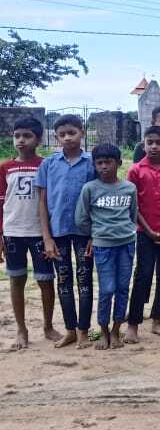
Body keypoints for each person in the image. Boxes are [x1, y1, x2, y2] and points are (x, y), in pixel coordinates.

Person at [36, 114, 95, 349]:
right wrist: (46, 237)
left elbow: (97, 199)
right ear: (56, 137)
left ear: (82, 132)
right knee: (63, 281)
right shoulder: (49, 164)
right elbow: (41, 202)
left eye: (72, 132)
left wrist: (94, 234)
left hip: (84, 232)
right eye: (62, 134)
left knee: (84, 280)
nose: (68, 137)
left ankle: (83, 330)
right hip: (57, 232)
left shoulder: (91, 163)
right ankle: (70, 329)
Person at [2, 117, 58, 350]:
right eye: (17, 136)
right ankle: (21, 329)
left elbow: (50, 200)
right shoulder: (5, 168)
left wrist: (50, 235)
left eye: (27, 136)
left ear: (38, 139)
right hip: (13, 231)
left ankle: (47, 325)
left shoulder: (46, 165)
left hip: (39, 232)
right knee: (17, 280)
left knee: (46, 281)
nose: (21, 141)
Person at [74, 144, 137, 350]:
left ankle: (116, 330)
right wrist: (95, 235)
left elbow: (132, 214)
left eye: (108, 162)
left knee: (122, 288)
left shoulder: (129, 188)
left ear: (118, 163)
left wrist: (126, 231)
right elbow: (81, 219)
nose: (104, 167)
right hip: (103, 246)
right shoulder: (90, 188)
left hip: (126, 244)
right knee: (107, 289)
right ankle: (103, 331)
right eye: (99, 163)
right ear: (94, 165)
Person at [125, 126, 160, 344]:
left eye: (159, 142)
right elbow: (133, 206)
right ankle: (133, 324)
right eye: (150, 142)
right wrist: (149, 231)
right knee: (143, 276)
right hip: (145, 233)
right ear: (143, 144)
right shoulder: (136, 171)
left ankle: (157, 320)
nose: (154, 146)